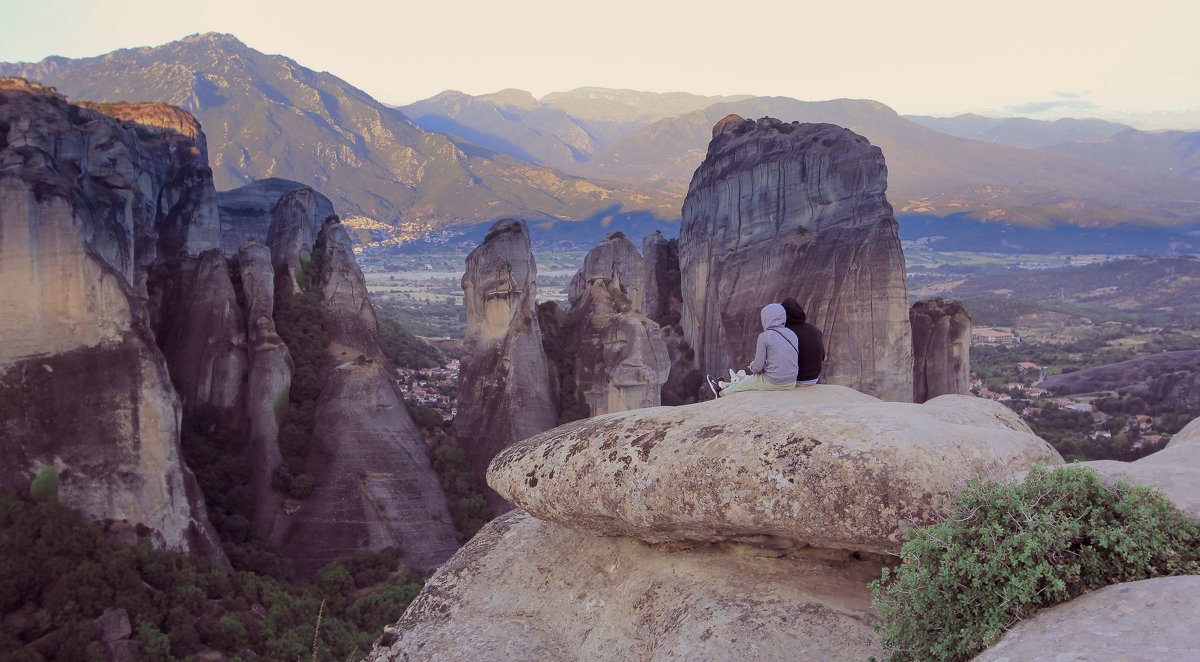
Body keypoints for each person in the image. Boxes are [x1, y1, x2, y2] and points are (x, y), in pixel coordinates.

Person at [707, 303, 799, 397]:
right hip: (791, 382)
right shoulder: (792, 334)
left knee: (749, 381)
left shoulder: (764, 337)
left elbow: (757, 368)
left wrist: (752, 366)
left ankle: (721, 394)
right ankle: (723, 385)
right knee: (749, 381)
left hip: (774, 382)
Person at [781, 297, 824, 385]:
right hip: (815, 378)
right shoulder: (814, 328)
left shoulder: (785, 333)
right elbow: (822, 356)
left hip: (797, 379)